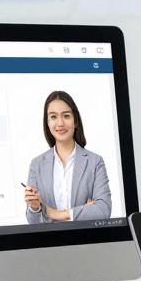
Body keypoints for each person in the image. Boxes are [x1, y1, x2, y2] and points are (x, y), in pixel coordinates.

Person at [24, 91, 112, 223]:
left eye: (66, 116)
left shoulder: (95, 161)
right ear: (47, 123)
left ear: (75, 121)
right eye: (53, 117)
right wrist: (36, 208)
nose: (60, 123)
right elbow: (33, 222)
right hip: (50, 242)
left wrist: (53, 213)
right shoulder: (36, 165)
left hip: (86, 241)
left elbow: (103, 210)